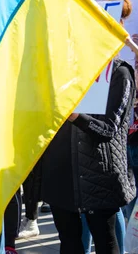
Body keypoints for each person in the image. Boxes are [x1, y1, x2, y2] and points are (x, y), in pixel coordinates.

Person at [42, 55, 136, 251]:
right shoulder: (62, 68)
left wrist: (75, 115)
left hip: (99, 176)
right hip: (61, 174)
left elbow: (109, 130)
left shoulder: (119, 72)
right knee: (69, 242)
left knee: (105, 240)